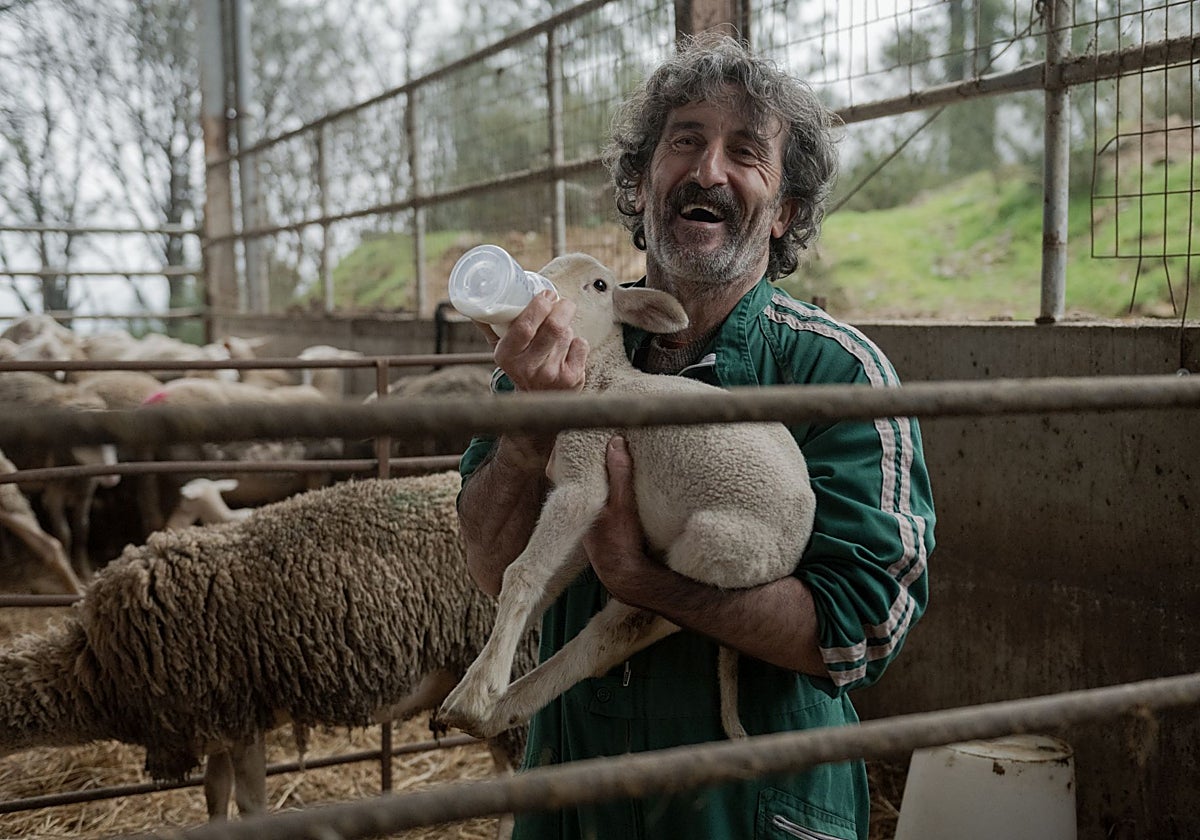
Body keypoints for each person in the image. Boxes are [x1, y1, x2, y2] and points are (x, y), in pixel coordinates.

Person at [456, 33, 935, 840]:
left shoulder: (839, 375)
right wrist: (532, 428)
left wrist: (646, 583)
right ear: (641, 184)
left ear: (784, 210)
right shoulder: (555, 355)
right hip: (576, 800)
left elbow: (864, 629)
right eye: (685, 141)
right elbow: (488, 564)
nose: (709, 169)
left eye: (745, 153)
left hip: (750, 812)